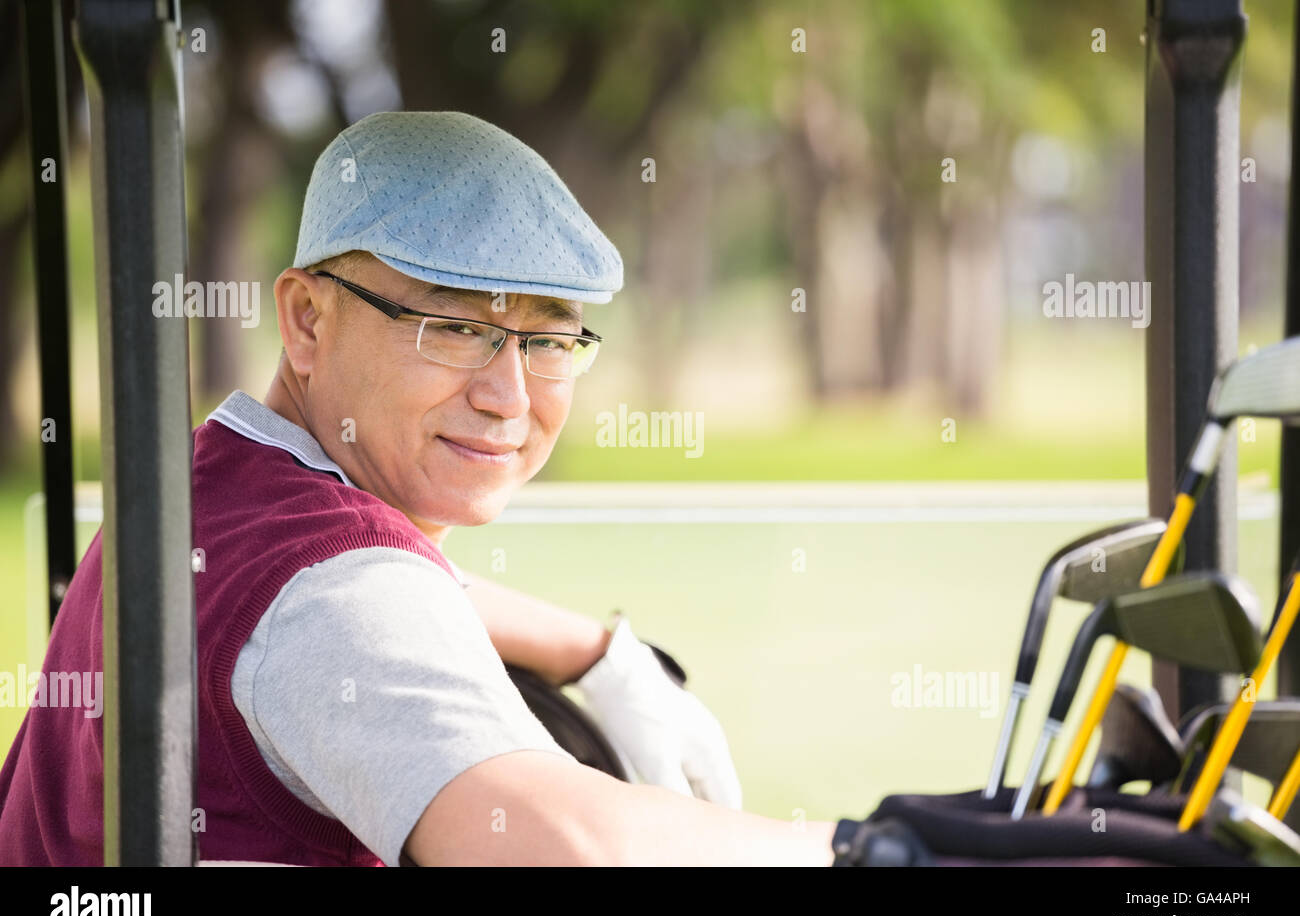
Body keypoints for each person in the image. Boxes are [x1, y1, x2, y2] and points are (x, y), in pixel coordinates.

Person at [0, 111, 875, 866]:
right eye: (454, 328)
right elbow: (567, 848)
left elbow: (369, 594)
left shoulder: (208, 490)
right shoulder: (335, 589)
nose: (509, 397)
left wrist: (597, 651)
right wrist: (875, 846)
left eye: (547, 342)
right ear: (307, 319)